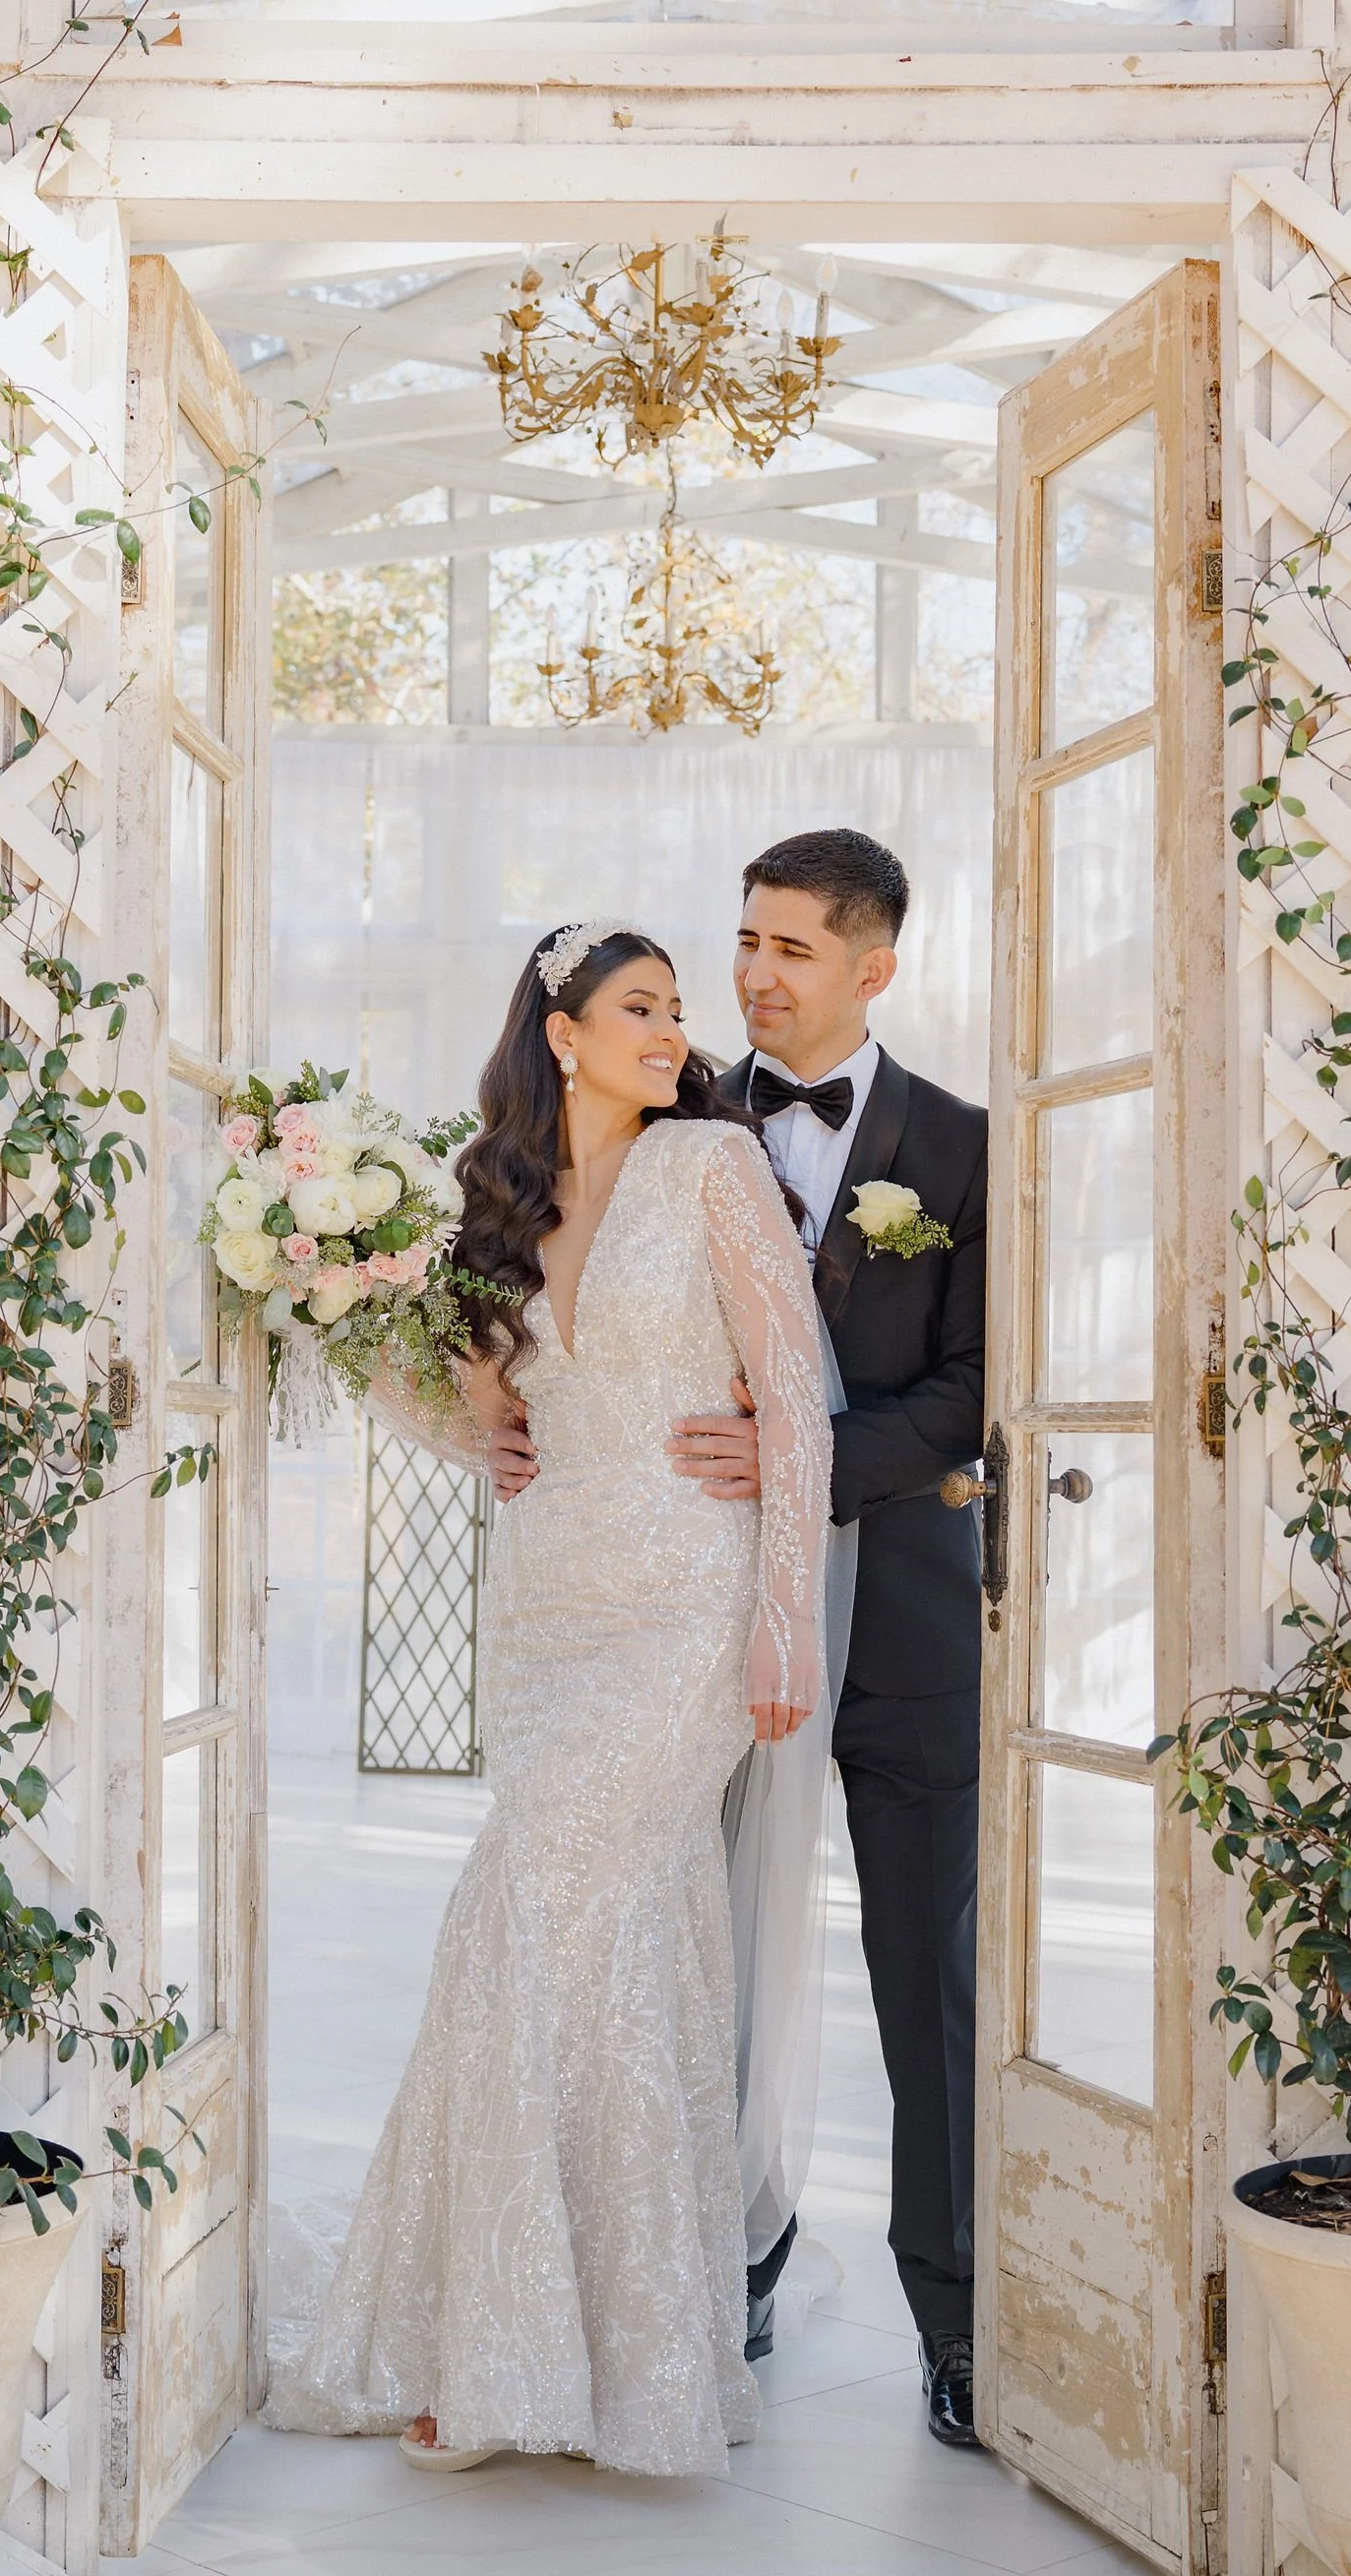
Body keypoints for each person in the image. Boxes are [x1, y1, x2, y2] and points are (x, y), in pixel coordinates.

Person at [267, 923, 829, 2478]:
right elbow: (440, 1384)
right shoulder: (485, 1193)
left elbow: (796, 1399)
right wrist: (479, 1439)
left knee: (525, 1906)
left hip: (688, 1610)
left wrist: (788, 1625)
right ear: (562, 1032)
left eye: (675, 1011)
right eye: (640, 1009)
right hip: (546, 1611)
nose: (675, 1031)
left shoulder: (714, 1166)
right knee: (613, 1941)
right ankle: (588, 2343)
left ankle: (512, 2349)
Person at [689, 830, 988, 2451]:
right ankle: (724, 2256)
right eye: (746, 940)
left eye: (793, 948)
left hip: (913, 1630)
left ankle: (957, 2320)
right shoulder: (673, 1120)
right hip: (705, 1616)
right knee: (704, 1954)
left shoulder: (964, 1145)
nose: (755, 974)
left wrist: (806, 1449)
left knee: (925, 1984)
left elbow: (975, 1385)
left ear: (875, 966)